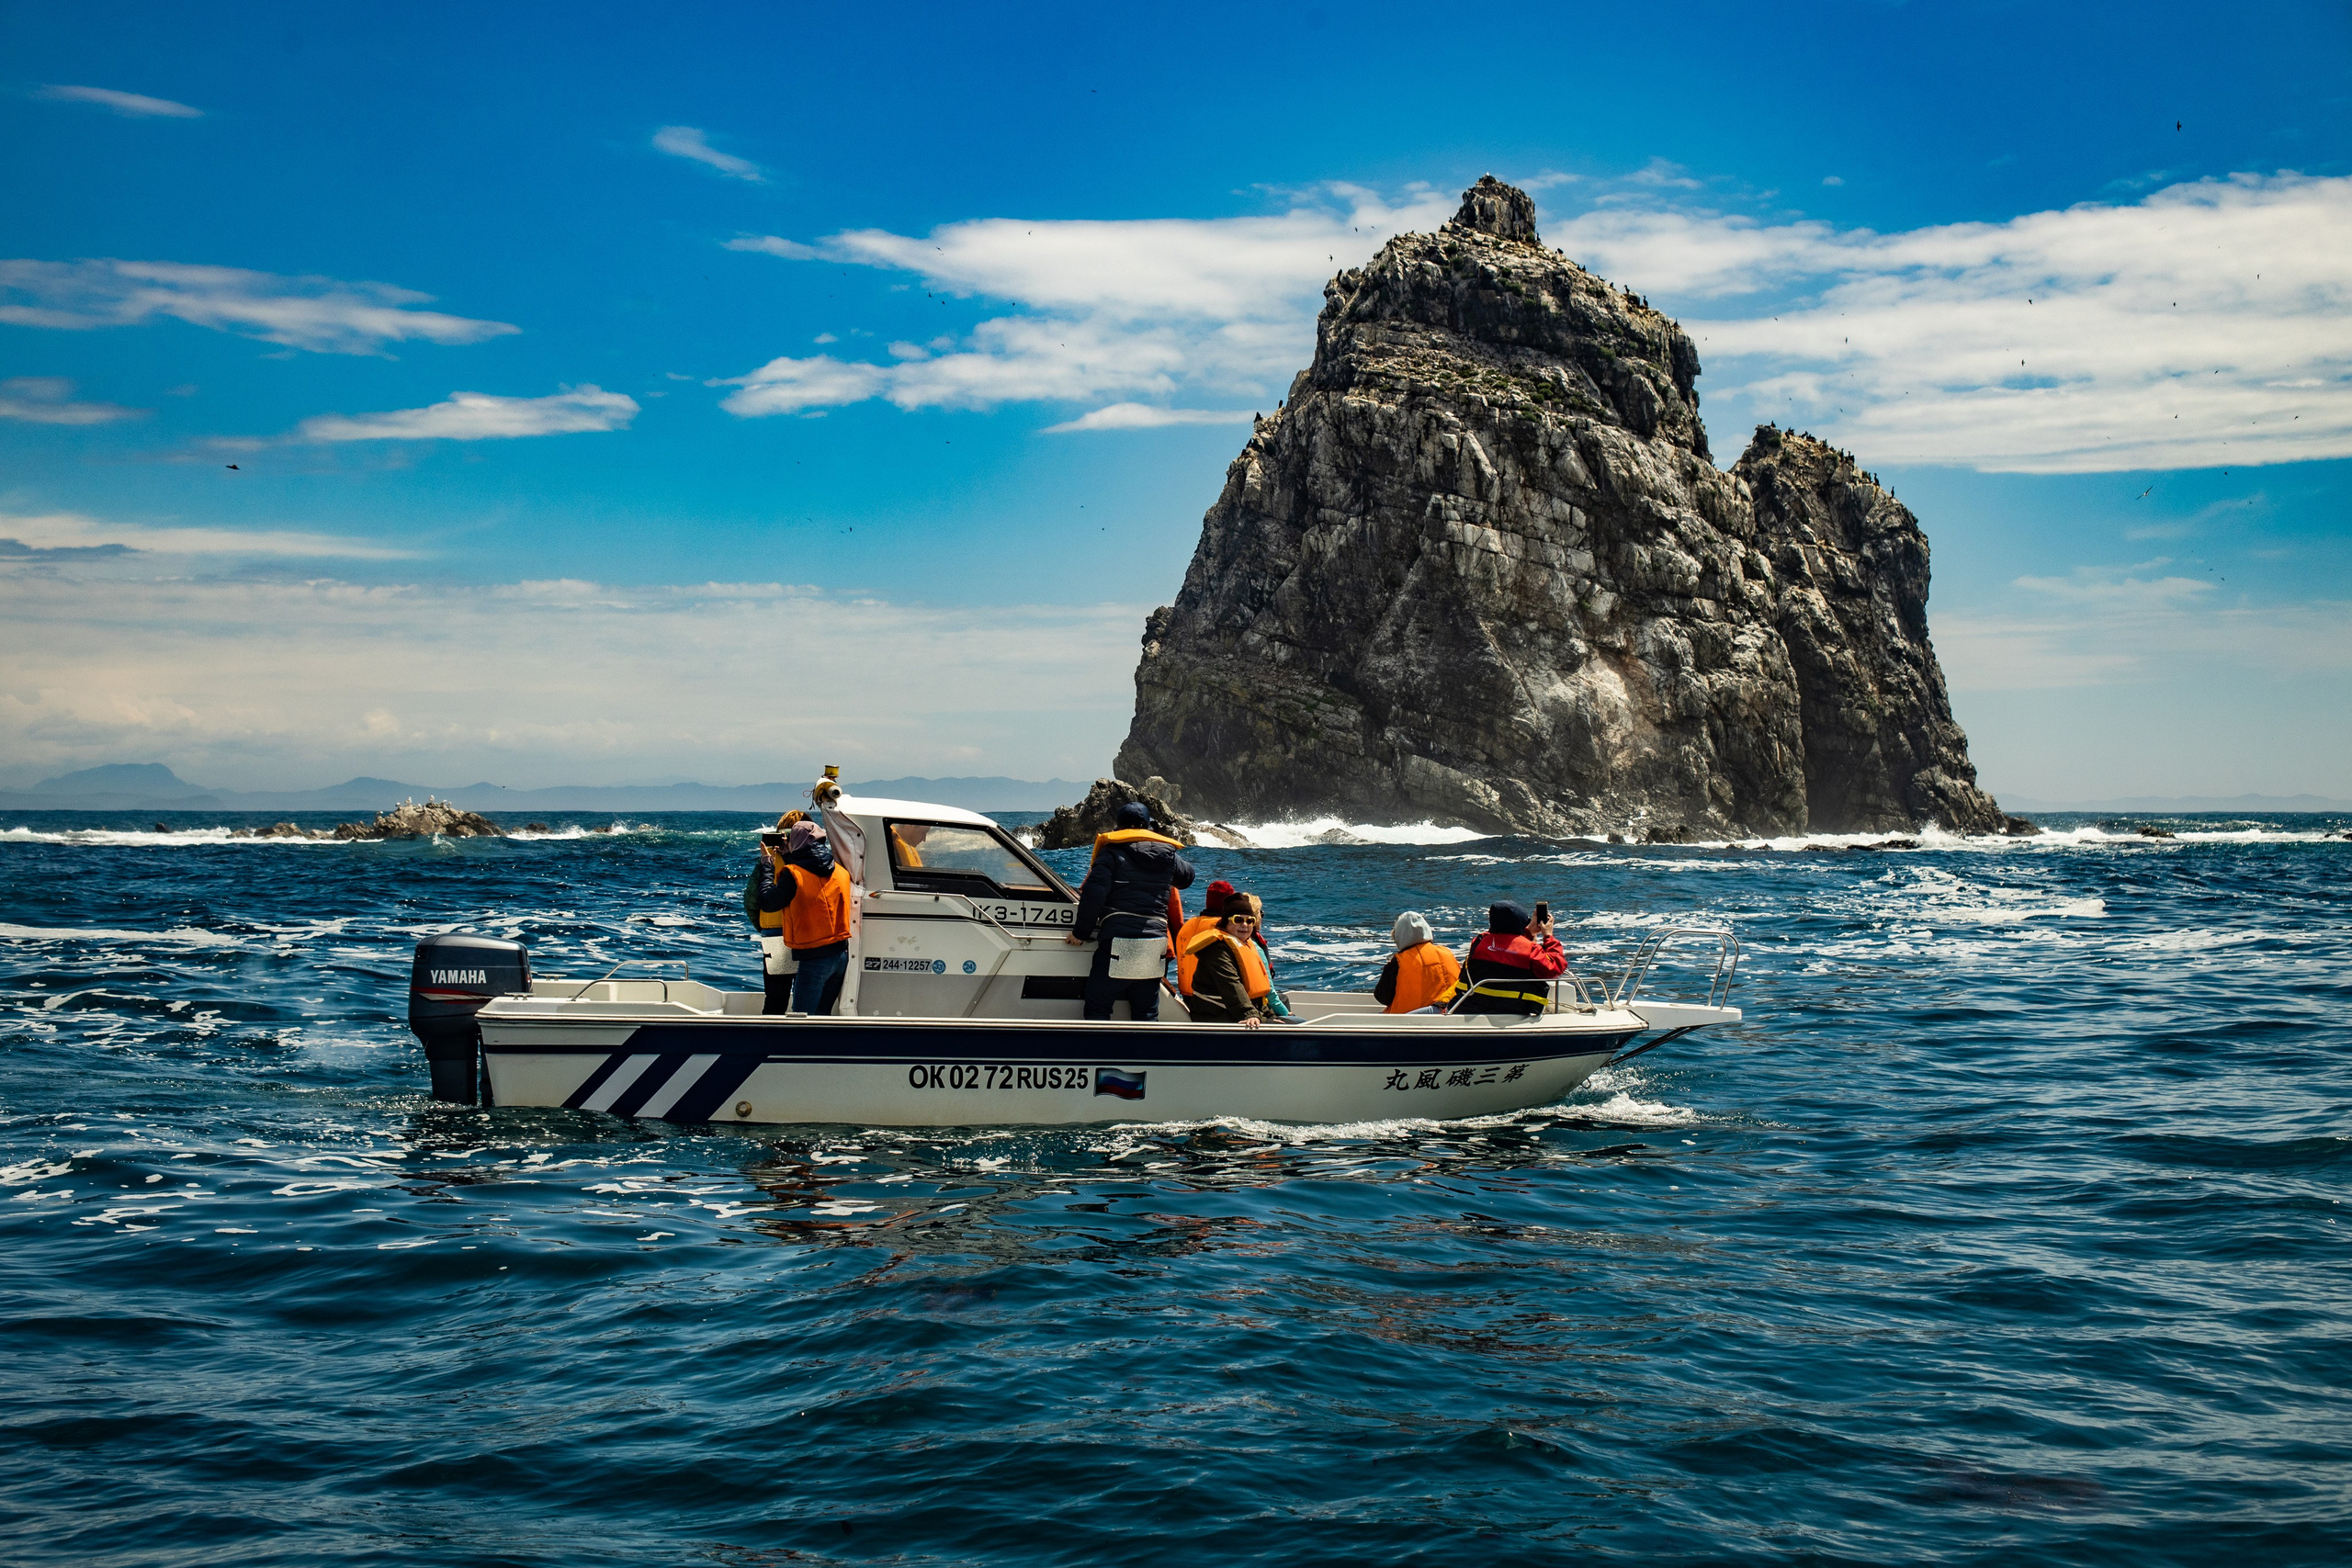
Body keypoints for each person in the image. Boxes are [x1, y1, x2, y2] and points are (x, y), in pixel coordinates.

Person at [1065, 800, 1194, 1021]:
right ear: (1148, 825)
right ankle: (1142, 1055)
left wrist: (1080, 933)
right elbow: (1187, 878)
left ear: (1119, 825)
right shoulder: (1168, 855)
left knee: (1098, 1007)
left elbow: (1093, 895)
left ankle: (1100, 1055)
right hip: (1154, 943)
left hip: (1119, 940)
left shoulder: (1111, 853)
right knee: (1146, 1012)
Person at [756, 818, 854, 1015]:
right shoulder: (841, 871)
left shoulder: (792, 874)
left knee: (798, 1016)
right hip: (839, 955)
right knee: (822, 1016)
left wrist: (767, 866)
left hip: (808, 953)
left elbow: (766, 902)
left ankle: (775, 1044)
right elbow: (814, 873)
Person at [1456, 900, 1567, 1015]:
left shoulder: (1479, 942)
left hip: (1471, 1007)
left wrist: (1528, 932)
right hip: (1514, 1011)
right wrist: (1548, 936)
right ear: (1521, 922)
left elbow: (1505, 946)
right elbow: (1555, 967)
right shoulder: (1530, 950)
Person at [1184, 893, 1276, 1027]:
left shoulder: (1246, 944)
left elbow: (1256, 994)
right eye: (1238, 920)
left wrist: (1269, 1015)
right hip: (1216, 1015)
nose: (1245, 925)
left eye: (1249, 920)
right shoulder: (1217, 950)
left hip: (1237, 1012)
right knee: (1291, 1026)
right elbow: (1232, 985)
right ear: (1226, 922)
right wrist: (1250, 1014)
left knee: (1294, 1022)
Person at [1375, 911, 1462, 1013]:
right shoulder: (1447, 953)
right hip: (1452, 1012)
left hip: (1410, 1020)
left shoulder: (1398, 962)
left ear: (1399, 936)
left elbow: (1382, 997)